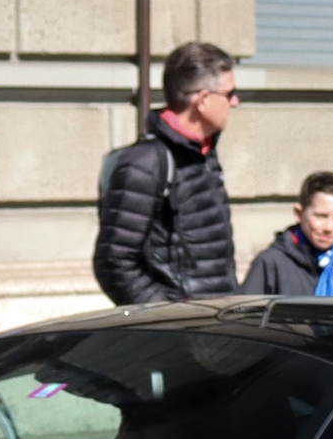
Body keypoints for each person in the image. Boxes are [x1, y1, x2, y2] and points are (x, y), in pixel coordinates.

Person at [92, 41, 241, 305]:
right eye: (229, 94)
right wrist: (168, 318)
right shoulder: (144, 163)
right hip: (180, 332)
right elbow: (113, 262)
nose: (235, 102)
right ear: (203, 100)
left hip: (217, 324)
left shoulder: (204, 154)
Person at [241, 169, 333, 298]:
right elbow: (244, 314)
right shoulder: (270, 263)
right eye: (321, 216)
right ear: (299, 213)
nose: (329, 227)